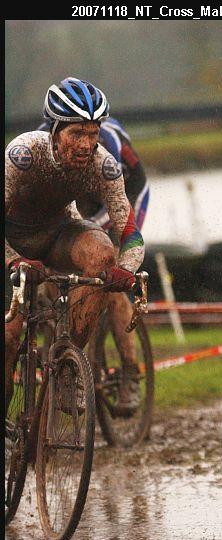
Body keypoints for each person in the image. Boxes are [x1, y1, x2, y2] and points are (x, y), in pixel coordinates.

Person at [5, 77, 145, 412]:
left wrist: (125, 269)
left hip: (56, 232)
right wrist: (13, 262)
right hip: (12, 240)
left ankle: (68, 365)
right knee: (9, 337)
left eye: (93, 134)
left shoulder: (104, 165)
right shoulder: (23, 155)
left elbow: (131, 232)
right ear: (55, 131)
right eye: (77, 134)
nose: (86, 144)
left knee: (103, 254)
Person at [37, 115, 150, 415]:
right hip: (78, 203)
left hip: (125, 197)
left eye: (91, 135)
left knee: (108, 278)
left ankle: (130, 372)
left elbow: (125, 201)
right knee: (53, 268)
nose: (84, 143)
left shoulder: (110, 148)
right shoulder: (39, 145)